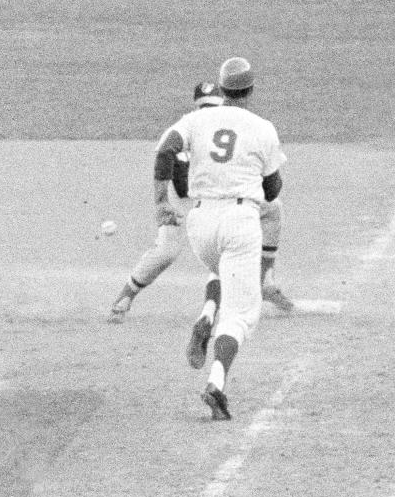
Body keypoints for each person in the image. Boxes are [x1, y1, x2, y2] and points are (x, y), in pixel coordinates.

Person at [154, 56, 286, 420]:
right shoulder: (262, 128)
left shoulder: (195, 119)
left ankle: (207, 312)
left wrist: (160, 204)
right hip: (239, 223)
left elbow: (165, 150)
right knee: (242, 315)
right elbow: (273, 190)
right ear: (251, 90)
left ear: (223, 89)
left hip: (200, 225)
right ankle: (216, 383)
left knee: (225, 272)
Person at [108, 80, 292, 323]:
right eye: (202, 106)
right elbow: (183, 186)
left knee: (271, 210)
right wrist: (164, 203)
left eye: (211, 105)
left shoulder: (196, 125)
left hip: (207, 196)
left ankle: (264, 279)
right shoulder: (196, 127)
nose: (206, 110)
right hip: (185, 196)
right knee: (169, 251)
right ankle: (126, 297)